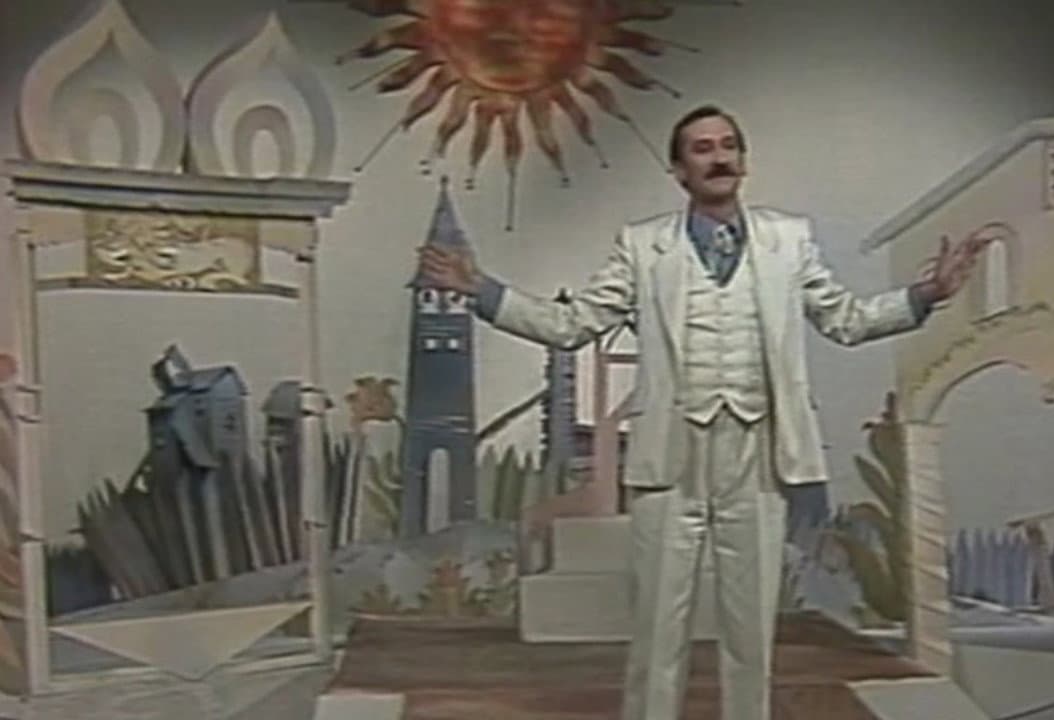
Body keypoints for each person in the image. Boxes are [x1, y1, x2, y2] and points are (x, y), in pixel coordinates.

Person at [418, 104, 987, 720]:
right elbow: (571, 324)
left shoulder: (788, 240)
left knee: (750, 633)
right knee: (658, 630)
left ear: (742, 159)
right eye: (702, 148)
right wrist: (483, 291)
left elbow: (846, 321)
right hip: (671, 461)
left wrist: (926, 294)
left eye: (728, 146)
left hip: (756, 458)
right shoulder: (644, 246)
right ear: (678, 170)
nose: (719, 158)